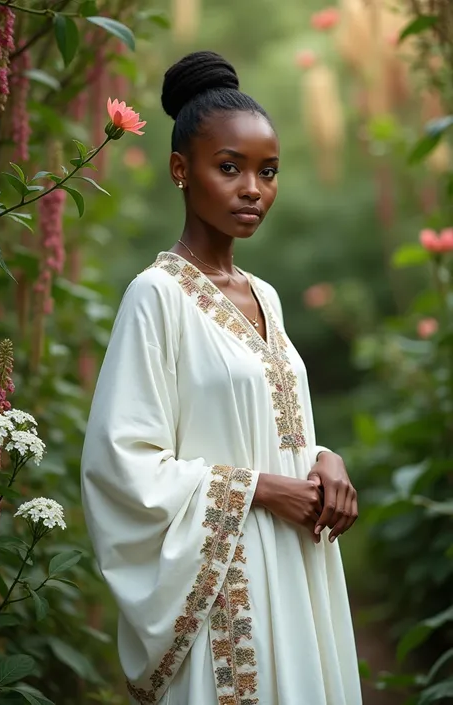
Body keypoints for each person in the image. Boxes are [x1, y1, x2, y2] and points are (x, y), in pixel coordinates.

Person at [81, 51, 362, 705]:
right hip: (224, 589)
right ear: (181, 170)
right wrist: (259, 489)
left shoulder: (265, 294)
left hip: (300, 565)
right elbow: (123, 464)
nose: (252, 188)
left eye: (268, 171)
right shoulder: (156, 297)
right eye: (229, 167)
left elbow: (269, 420)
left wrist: (326, 457)